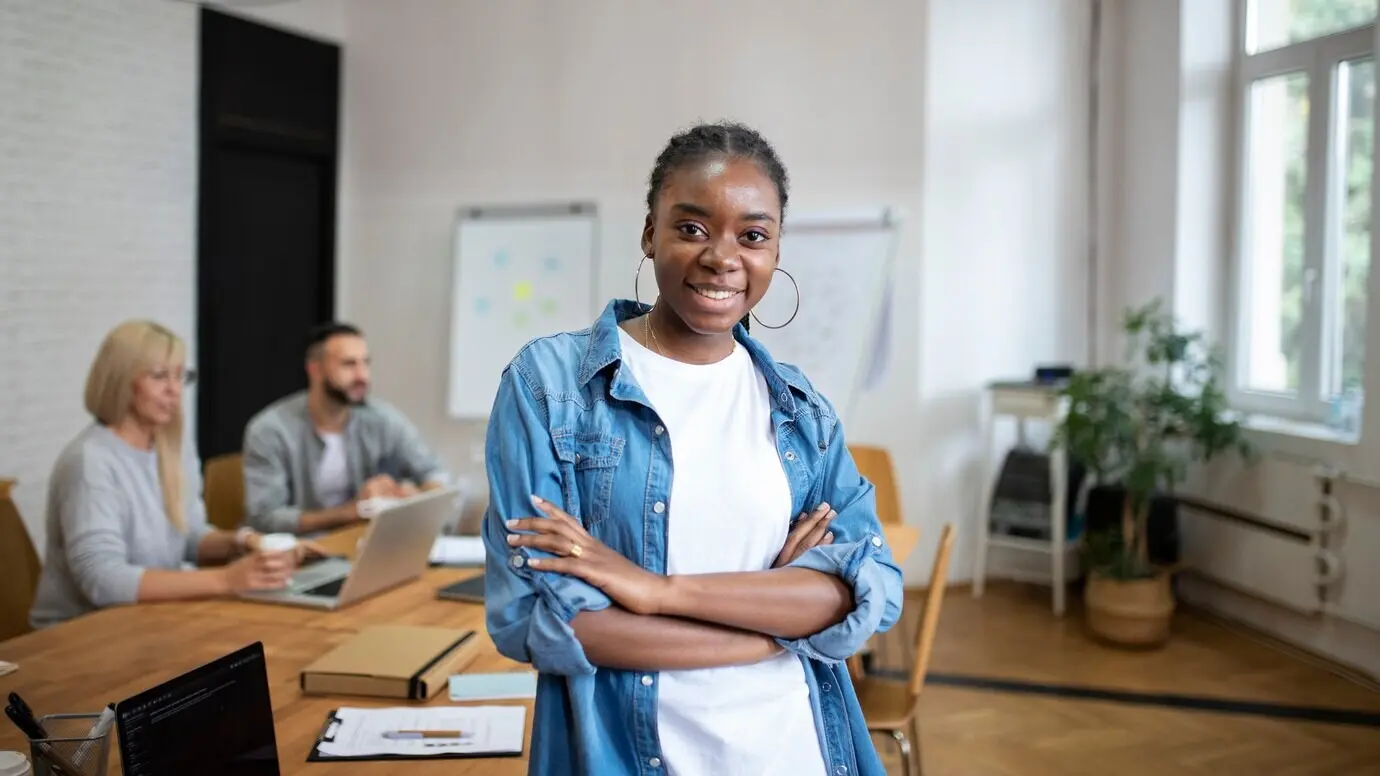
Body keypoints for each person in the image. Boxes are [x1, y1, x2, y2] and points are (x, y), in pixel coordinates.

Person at [482, 122, 904, 776]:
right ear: (650, 233)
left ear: (775, 250)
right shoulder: (550, 386)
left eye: (753, 235)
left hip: (796, 747)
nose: (722, 257)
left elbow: (863, 593)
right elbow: (538, 619)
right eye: (692, 228)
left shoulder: (801, 413)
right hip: (634, 754)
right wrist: (776, 624)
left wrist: (654, 592)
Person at [29, 321, 319, 630]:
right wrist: (226, 579)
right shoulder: (90, 461)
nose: (174, 390)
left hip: (148, 620)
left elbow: (189, 536)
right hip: (81, 634)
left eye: (181, 376)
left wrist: (245, 542)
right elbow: (103, 581)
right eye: (159, 376)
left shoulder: (172, 445)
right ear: (120, 381)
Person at [242, 322, 451, 535]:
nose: (363, 376)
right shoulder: (270, 430)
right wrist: (353, 511)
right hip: (299, 552)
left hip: (366, 545)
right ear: (315, 369)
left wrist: (413, 498)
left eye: (365, 363)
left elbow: (435, 473)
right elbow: (265, 518)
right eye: (349, 364)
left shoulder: (381, 419)